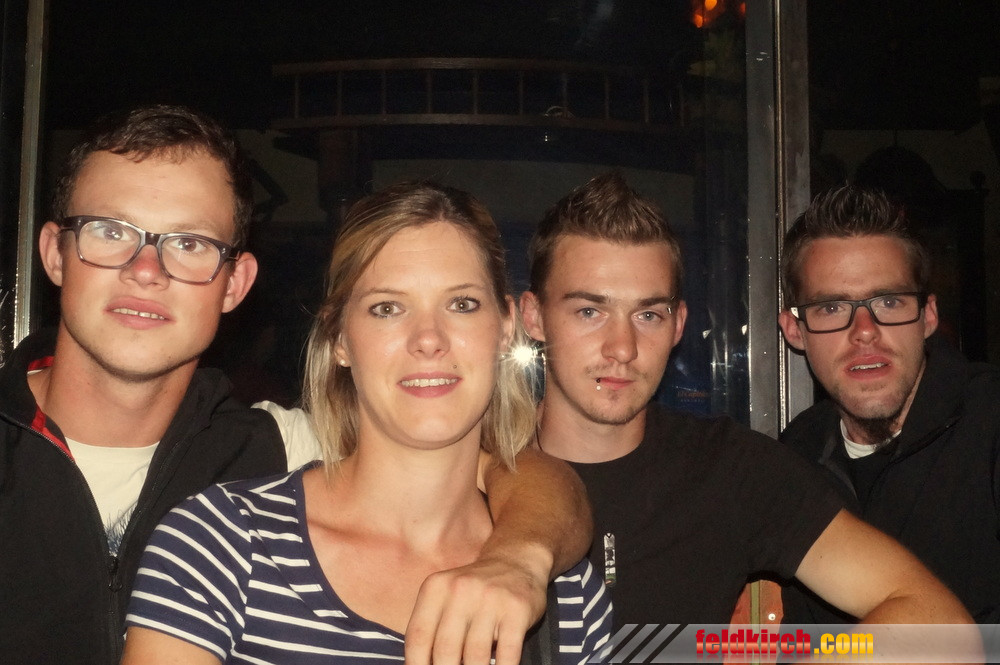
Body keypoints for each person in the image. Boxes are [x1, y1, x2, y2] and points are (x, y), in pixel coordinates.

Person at [0, 106, 592, 665]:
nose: (146, 270)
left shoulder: (271, 442)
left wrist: (519, 558)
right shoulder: (222, 530)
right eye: (110, 231)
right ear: (54, 252)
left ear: (236, 283)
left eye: (189, 243)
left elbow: (514, 473)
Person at [121, 181, 613, 664]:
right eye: (387, 308)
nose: (428, 339)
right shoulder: (223, 545)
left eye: (461, 304)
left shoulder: (563, 592)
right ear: (339, 339)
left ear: (505, 327)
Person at [518, 172, 973, 627]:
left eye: (649, 314)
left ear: (678, 325)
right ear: (534, 317)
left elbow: (936, 620)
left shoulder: (730, 468)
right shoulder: (484, 468)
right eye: (589, 311)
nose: (623, 348)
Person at [778, 184, 1000, 623]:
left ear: (928, 316)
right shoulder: (793, 457)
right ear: (794, 331)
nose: (864, 330)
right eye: (832, 307)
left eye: (889, 301)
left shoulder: (989, 423)